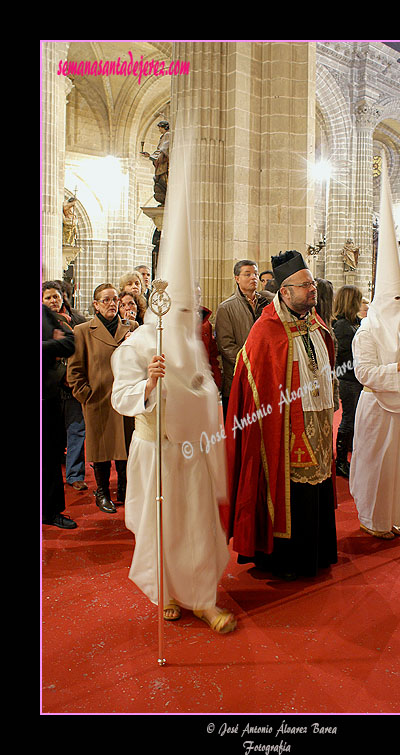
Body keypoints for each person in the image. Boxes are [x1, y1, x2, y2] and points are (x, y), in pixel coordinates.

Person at [111, 125, 236, 632]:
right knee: (161, 528)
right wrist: (150, 384)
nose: (185, 314)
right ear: (160, 301)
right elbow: (123, 396)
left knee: (199, 528)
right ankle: (166, 592)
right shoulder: (139, 344)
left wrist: (199, 396)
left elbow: (207, 393)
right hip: (157, 451)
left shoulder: (190, 343)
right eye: (178, 305)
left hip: (192, 454)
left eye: (189, 305)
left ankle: (203, 596)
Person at [225, 250, 338, 580]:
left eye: (312, 283)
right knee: (289, 490)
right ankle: (285, 560)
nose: (312, 289)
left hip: (317, 420)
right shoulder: (266, 330)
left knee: (315, 485)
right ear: (285, 292)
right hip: (284, 429)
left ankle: (316, 554)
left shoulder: (315, 323)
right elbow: (255, 385)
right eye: (305, 285)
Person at [349, 155, 400, 540]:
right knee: (374, 465)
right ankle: (371, 518)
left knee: (399, 466)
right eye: (395, 301)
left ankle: (393, 515)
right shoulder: (365, 333)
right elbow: (363, 372)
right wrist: (396, 369)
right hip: (377, 406)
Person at [66, 284, 138, 514]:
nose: (112, 303)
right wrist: (86, 395)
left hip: (126, 398)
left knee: (126, 447)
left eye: (115, 299)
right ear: (96, 304)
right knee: (101, 450)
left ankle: (125, 489)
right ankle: (103, 492)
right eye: (106, 300)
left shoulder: (132, 327)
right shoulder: (83, 331)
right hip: (99, 400)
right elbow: (74, 370)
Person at [42, 281, 88, 492]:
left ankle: (75, 474)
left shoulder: (78, 320)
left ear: (63, 297)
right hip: (49, 385)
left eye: (56, 296)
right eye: (48, 297)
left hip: (72, 384)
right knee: (50, 433)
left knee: (77, 429)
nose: (53, 301)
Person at [215, 260, 270, 418]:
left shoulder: (266, 304)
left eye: (255, 274)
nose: (253, 278)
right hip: (237, 377)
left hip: (263, 377)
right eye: (247, 274)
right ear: (237, 278)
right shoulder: (226, 307)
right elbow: (225, 345)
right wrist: (251, 362)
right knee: (237, 428)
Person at [42, 303, 77, 528]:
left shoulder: (45, 313)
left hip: (47, 396)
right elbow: (58, 344)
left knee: (51, 456)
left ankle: (51, 511)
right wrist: (51, 344)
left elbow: (70, 343)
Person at [332, 285, 364, 478]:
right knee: (349, 419)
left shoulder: (355, 322)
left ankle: (349, 454)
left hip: (356, 377)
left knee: (355, 419)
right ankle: (341, 461)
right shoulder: (342, 325)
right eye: (358, 300)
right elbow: (342, 355)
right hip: (347, 378)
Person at [196, 285, 222, 391]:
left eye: (198, 296)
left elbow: (212, 354)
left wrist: (216, 379)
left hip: (205, 377)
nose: (196, 299)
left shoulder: (205, 323)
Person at [140, 120, 170, 204]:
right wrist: (150, 156)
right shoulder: (163, 136)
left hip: (164, 163)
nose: (159, 130)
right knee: (159, 181)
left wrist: (155, 156)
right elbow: (159, 151)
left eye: (160, 128)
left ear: (163, 127)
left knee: (163, 180)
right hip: (160, 162)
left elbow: (164, 150)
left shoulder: (168, 135)